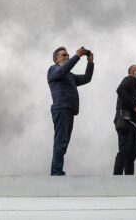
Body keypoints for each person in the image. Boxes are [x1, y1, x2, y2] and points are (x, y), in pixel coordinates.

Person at [47, 46, 94, 176]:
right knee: (60, 142)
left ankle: (56, 172)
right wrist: (77, 56)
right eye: (64, 55)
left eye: (68, 55)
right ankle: (56, 173)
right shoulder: (54, 69)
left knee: (63, 143)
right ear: (56, 59)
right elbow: (62, 71)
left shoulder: (69, 75)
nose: (67, 57)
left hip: (68, 110)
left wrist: (90, 63)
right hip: (61, 108)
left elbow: (86, 78)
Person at [113, 65, 136, 175]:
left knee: (131, 155)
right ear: (132, 72)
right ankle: (117, 180)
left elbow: (129, 101)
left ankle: (129, 180)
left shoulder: (134, 87)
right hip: (126, 122)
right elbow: (120, 90)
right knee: (124, 152)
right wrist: (135, 106)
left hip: (132, 124)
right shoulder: (130, 79)